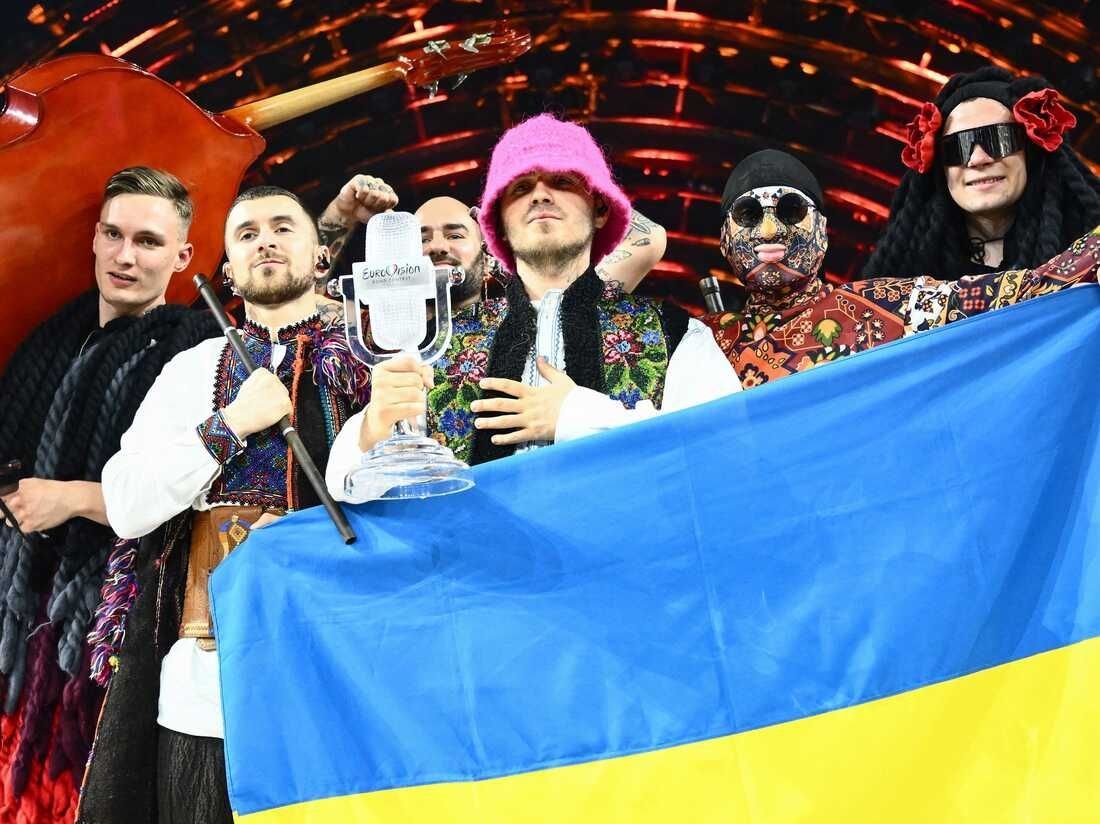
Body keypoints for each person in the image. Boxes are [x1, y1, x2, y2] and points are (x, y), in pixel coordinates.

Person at [80, 182, 391, 822]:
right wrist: (230, 425)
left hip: (339, 667)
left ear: (321, 255)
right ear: (227, 269)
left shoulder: (371, 362)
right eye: (247, 234)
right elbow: (127, 502)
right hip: (203, 683)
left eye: (282, 227)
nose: (265, 242)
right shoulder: (191, 369)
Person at [327, 114, 738, 495]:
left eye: (562, 181)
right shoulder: (439, 347)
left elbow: (726, 457)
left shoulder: (673, 331)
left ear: (599, 208)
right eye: (521, 188)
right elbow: (345, 487)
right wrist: (373, 430)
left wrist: (578, 416)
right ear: (499, 224)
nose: (540, 195)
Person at [0, 167, 217, 824]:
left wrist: (73, 499)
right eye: (114, 235)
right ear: (94, 238)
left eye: (148, 242)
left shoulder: (198, 350)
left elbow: (198, 492)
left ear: (182, 256)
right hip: (22, 620)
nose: (125, 256)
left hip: (111, 626)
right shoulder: (51, 337)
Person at [704, 148, 1100, 388]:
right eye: (748, 214)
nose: (770, 230)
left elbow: (1031, 289)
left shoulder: (888, 306)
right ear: (724, 239)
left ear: (822, 231)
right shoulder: (701, 342)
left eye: (791, 210)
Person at [864, 66, 1100, 279]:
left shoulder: (1092, 263)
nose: (977, 159)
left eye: (998, 139)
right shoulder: (897, 287)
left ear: (1032, 153)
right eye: (957, 148)